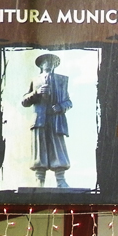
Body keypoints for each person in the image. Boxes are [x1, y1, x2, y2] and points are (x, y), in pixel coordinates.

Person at [21, 52, 72, 188]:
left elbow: (69, 102)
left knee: (58, 148)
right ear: (41, 65)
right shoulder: (34, 80)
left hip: (56, 119)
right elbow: (24, 101)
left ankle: (60, 180)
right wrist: (36, 93)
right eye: (46, 61)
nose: (49, 63)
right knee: (40, 149)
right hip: (40, 119)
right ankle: (39, 180)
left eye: (52, 61)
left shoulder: (62, 80)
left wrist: (60, 107)